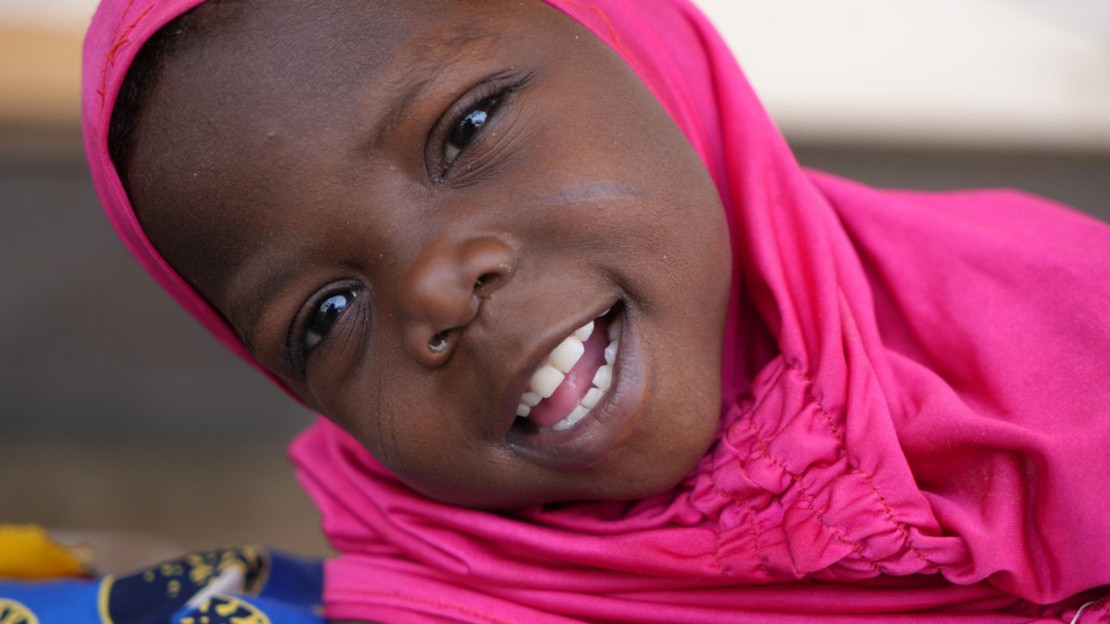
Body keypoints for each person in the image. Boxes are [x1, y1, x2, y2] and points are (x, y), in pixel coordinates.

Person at [74, 0, 1109, 621]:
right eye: (326, 314)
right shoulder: (455, 602)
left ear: (637, 42)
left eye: (466, 128)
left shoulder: (1067, 305)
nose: (435, 291)